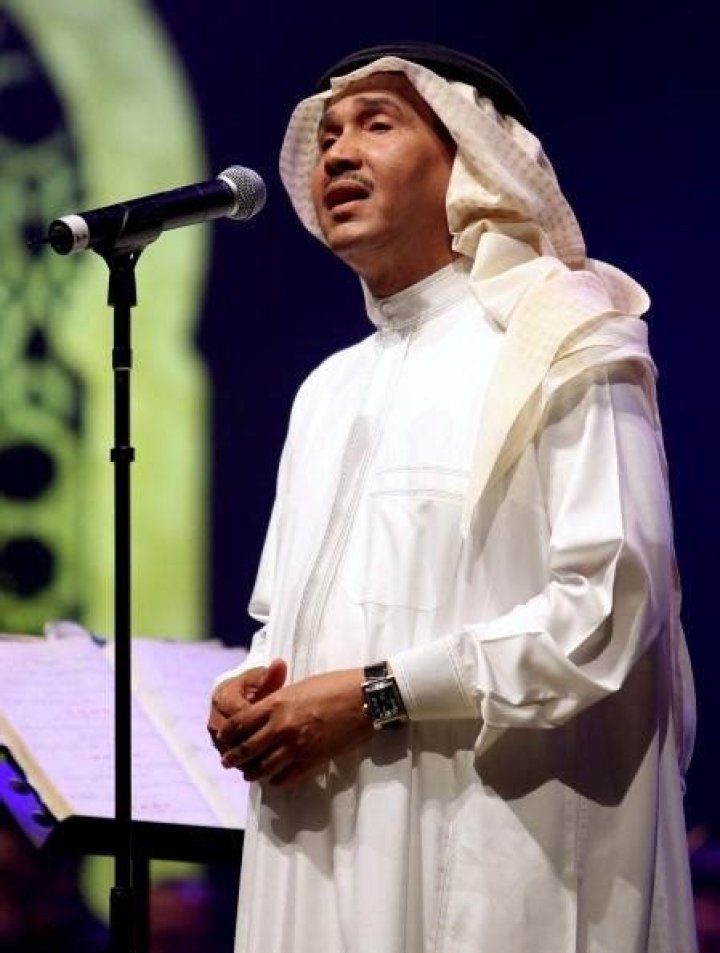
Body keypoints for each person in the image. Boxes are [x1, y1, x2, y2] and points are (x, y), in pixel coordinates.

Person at [207, 43, 698, 953]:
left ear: (473, 160)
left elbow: (608, 608)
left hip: (496, 858)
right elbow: (284, 619)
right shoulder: (327, 388)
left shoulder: (568, 338)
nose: (338, 152)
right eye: (329, 134)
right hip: (318, 854)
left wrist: (375, 696)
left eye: (377, 124)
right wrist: (249, 689)